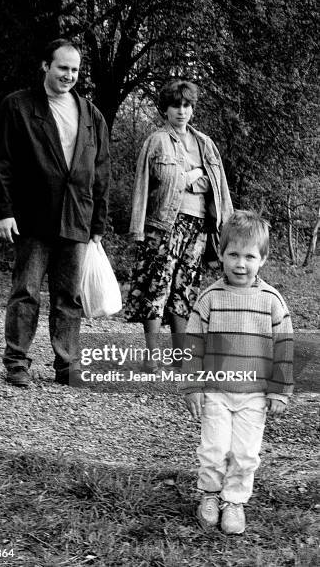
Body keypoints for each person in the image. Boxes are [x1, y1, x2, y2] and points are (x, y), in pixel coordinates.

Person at [0, 38, 110, 388]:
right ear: (46, 66)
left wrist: (98, 225)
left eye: (74, 70)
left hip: (77, 217)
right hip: (32, 216)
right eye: (62, 67)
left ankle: (67, 365)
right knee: (26, 291)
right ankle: (16, 361)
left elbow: (101, 171)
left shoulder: (92, 114)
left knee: (69, 297)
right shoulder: (18, 106)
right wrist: (3, 211)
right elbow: (2, 163)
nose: (69, 75)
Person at [182, 210, 294, 534]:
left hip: (254, 395)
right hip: (216, 391)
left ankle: (234, 500)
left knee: (245, 452)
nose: (240, 264)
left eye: (249, 256)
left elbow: (284, 346)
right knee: (214, 448)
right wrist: (192, 385)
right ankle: (210, 495)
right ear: (221, 254)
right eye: (233, 254)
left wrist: (279, 389)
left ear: (263, 258)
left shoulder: (272, 301)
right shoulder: (210, 298)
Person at [126, 79, 233, 370]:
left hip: (197, 226)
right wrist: (189, 177)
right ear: (166, 109)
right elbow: (144, 185)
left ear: (193, 109)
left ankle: (179, 357)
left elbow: (218, 187)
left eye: (187, 105)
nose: (181, 111)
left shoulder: (205, 143)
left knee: (185, 288)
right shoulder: (156, 141)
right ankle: (151, 356)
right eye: (176, 105)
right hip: (163, 225)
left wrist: (228, 229)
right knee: (157, 285)